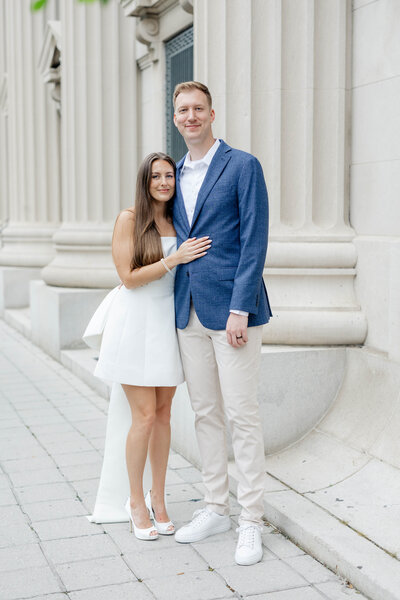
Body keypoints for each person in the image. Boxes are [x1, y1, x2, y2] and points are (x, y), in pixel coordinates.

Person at [84, 152, 211, 540]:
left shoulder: (180, 220)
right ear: (145, 180)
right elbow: (128, 277)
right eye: (155, 176)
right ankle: (135, 500)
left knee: (163, 415)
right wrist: (174, 259)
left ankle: (159, 498)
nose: (163, 182)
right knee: (142, 416)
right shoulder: (129, 219)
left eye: (169, 175)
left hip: (167, 324)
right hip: (135, 323)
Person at [171, 82, 272, 565]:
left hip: (231, 312)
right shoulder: (172, 174)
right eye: (182, 110)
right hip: (186, 310)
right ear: (175, 119)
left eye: (197, 109)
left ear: (212, 114)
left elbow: (254, 240)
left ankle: (251, 519)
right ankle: (216, 507)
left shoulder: (242, 165)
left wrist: (241, 309)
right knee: (205, 414)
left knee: (242, 416)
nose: (190, 117)